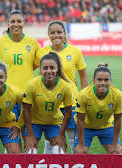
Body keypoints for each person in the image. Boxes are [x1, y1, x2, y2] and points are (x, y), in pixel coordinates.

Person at [0, 10, 40, 152]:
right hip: (6, 97)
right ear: (8, 24)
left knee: (29, 138)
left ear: (24, 23)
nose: (16, 24)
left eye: (19, 21)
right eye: (13, 21)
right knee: (10, 138)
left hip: (27, 97)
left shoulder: (33, 43)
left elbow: (34, 65)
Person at [36, 20, 88, 154]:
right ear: (48, 35)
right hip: (50, 102)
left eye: (59, 32)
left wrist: (85, 98)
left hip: (71, 102)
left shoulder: (75, 51)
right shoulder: (41, 52)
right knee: (50, 140)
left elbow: (83, 75)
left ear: (65, 34)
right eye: (52, 32)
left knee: (72, 139)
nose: (56, 35)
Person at [21, 52, 73, 154]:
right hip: (34, 122)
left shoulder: (65, 86)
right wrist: (30, 136)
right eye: (45, 68)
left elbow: (68, 111)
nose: (49, 71)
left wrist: (61, 134)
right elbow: (26, 110)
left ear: (57, 68)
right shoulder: (32, 84)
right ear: (40, 69)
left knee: (59, 152)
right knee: (31, 152)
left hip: (53, 122)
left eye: (52, 68)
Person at [75, 64, 122, 154]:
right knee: (80, 154)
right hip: (86, 127)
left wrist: (115, 144)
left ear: (111, 81)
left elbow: (118, 119)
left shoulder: (118, 95)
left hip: (106, 127)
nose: (103, 83)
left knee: (117, 153)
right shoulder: (84, 95)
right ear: (93, 81)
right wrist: (81, 144)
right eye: (99, 80)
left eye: (106, 80)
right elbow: (80, 120)